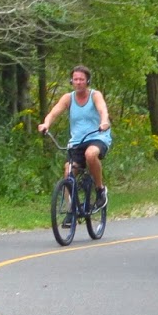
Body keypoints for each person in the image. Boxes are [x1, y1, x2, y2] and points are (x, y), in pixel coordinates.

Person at [38, 65, 112, 210]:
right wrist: (46, 124)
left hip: (97, 136)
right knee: (68, 172)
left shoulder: (95, 95)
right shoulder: (68, 98)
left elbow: (103, 110)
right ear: (71, 81)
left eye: (81, 79)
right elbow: (53, 113)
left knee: (90, 154)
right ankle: (71, 209)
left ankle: (100, 190)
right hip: (77, 141)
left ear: (87, 81)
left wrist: (104, 121)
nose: (78, 82)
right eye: (75, 79)